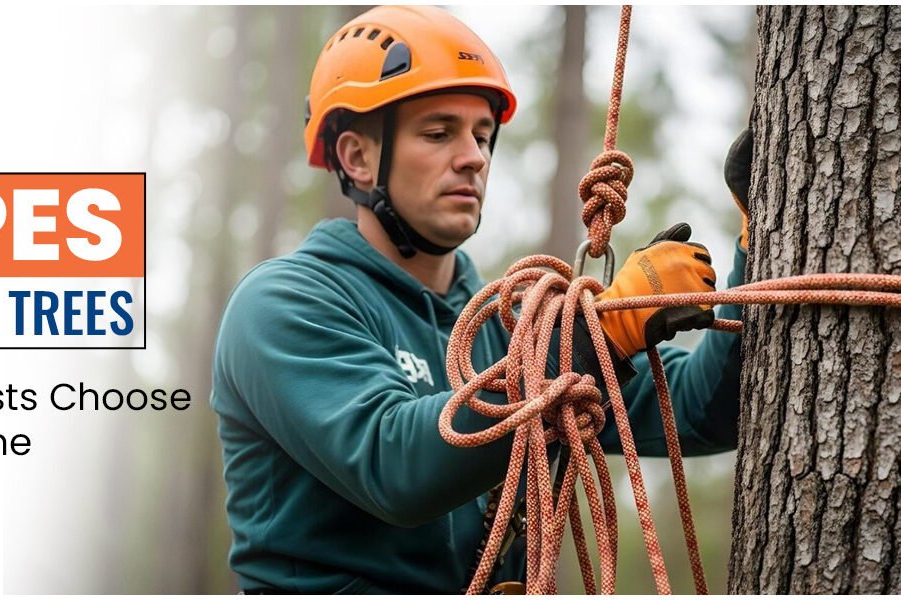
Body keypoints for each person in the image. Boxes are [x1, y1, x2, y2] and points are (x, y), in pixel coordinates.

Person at [210, 5, 750, 594]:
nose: (473, 156)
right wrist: (596, 341)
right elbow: (395, 468)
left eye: (482, 135)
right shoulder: (284, 304)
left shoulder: (514, 326)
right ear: (357, 158)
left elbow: (706, 413)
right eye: (438, 133)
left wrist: (759, 241)